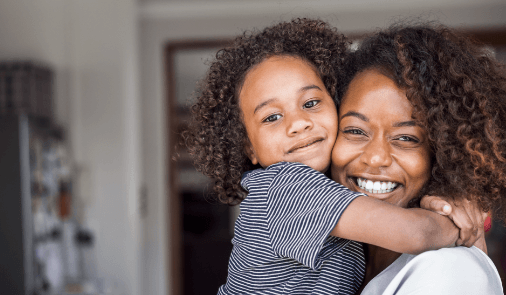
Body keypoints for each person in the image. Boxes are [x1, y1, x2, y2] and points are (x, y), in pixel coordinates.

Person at [182, 18, 484, 295]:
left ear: (334, 103)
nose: (298, 123)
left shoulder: (335, 199)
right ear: (248, 147)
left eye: (311, 102)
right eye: (272, 117)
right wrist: (458, 224)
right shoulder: (284, 187)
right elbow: (415, 234)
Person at [332, 23, 506, 294]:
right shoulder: (341, 262)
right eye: (354, 131)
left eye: (406, 138)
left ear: (444, 155)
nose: (375, 158)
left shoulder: (448, 269)